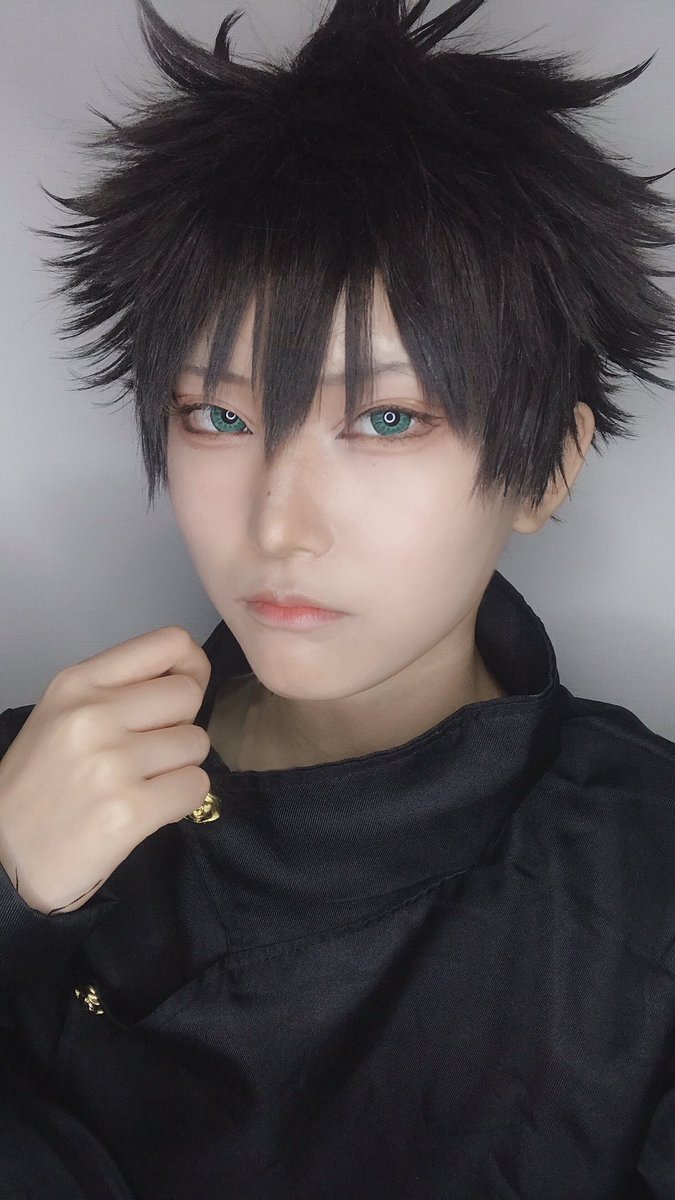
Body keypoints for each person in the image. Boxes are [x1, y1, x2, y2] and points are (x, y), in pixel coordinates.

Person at [0, 0, 674, 1195]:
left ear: (548, 470)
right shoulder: (28, 775)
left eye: (390, 419)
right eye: (218, 415)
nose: (279, 526)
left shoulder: (644, 878)